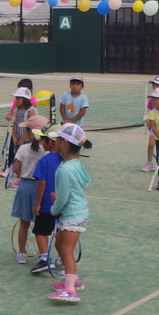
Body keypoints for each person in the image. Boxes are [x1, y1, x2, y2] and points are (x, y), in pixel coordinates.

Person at [47, 122, 91, 302]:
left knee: (66, 250)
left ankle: (71, 289)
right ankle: (72, 279)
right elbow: (84, 182)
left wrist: (54, 209)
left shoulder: (65, 169)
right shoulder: (75, 164)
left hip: (73, 215)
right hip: (75, 212)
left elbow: (63, 199)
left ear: (64, 143)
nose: (55, 141)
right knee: (60, 245)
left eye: (58, 139)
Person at [10, 127, 49, 264]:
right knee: (41, 225)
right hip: (41, 187)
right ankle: (44, 255)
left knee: (24, 223)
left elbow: (16, 168)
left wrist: (24, 175)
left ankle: (21, 253)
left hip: (25, 187)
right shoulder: (47, 151)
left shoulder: (23, 148)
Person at [28, 125, 64, 274]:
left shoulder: (44, 160)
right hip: (62, 205)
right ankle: (62, 262)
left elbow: (42, 183)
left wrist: (37, 204)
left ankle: (44, 259)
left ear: (50, 142)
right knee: (60, 234)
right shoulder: (65, 160)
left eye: (43, 140)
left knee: (40, 231)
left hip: (46, 205)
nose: (41, 143)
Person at [0, 87, 37, 178]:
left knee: (27, 159)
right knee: (18, 159)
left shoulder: (30, 111)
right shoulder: (16, 110)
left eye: (19, 98)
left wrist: (23, 138)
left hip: (27, 140)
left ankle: (25, 176)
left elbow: (30, 126)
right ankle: (19, 175)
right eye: (16, 98)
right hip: (18, 139)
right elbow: (15, 123)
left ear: (25, 99)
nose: (17, 100)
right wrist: (14, 137)